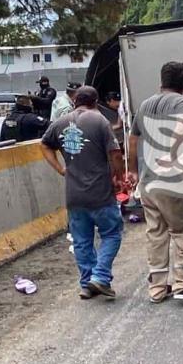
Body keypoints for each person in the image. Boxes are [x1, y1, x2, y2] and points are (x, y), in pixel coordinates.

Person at [128, 61, 183, 303]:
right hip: (173, 182)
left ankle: (158, 288)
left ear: (161, 80)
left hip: (148, 182)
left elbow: (132, 140)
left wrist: (132, 171)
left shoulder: (145, 105)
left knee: (156, 233)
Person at [40, 86, 124, 299]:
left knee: (82, 241)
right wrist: (119, 177)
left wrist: (61, 169)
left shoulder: (59, 123)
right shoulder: (99, 121)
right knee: (112, 233)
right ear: (95, 101)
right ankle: (101, 276)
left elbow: (44, 145)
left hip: (74, 194)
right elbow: (115, 154)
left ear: (75, 101)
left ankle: (87, 284)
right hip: (100, 192)